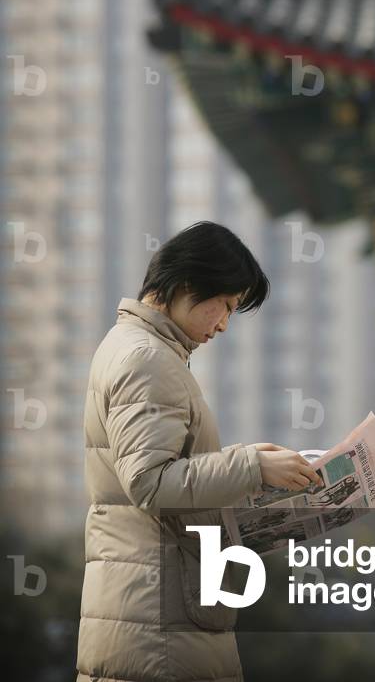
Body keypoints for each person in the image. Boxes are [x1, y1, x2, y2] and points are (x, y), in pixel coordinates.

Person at [75, 220, 319, 682]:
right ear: (187, 284)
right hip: (159, 622)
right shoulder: (147, 358)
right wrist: (252, 466)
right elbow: (150, 483)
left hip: (153, 610)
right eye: (224, 305)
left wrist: (253, 469)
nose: (225, 324)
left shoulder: (139, 348)